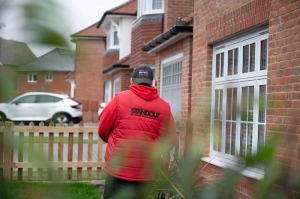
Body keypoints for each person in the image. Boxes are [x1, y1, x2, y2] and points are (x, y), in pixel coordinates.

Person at [98, 64, 176, 199]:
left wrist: (113, 141)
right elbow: (170, 141)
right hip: (146, 174)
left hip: (118, 169)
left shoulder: (119, 99)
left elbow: (102, 130)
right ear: (152, 82)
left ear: (131, 81)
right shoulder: (164, 107)